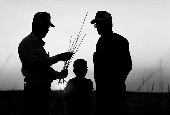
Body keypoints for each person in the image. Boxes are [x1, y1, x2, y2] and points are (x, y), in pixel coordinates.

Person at [18, 12, 73, 115]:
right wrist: (59, 57)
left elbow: (44, 70)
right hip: (34, 91)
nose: (47, 29)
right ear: (36, 25)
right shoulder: (27, 43)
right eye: (46, 26)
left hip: (42, 91)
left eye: (48, 27)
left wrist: (58, 75)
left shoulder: (38, 45)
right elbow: (37, 65)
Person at [91, 11, 132, 114]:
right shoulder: (100, 42)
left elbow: (127, 65)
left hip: (114, 93)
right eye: (97, 25)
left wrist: (114, 83)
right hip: (101, 92)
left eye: (99, 24)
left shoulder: (120, 41)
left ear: (108, 24)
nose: (97, 27)